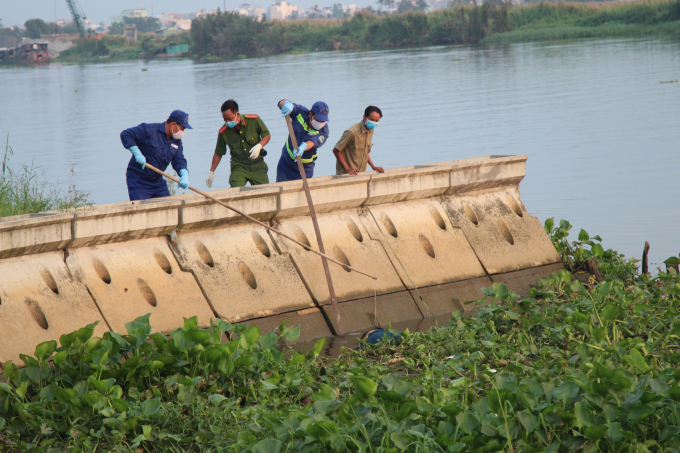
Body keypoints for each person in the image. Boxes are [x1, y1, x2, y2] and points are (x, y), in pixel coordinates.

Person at [120, 110, 192, 201]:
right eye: (182, 129)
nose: (182, 132)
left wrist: (184, 173)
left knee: (168, 208)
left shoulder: (176, 142)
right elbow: (126, 134)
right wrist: (136, 153)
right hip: (139, 181)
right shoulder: (149, 130)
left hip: (158, 182)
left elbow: (179, 159)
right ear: (174, 124)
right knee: (141, 212)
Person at [206, 99, 271, 188]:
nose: (228, 121)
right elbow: (218, 152)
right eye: (225, 119)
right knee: (235, 192)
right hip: (239, 166)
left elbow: (266, 135)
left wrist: (259, 146)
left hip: (258, 166)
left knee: (266, 192)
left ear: (237, 114)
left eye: (230, 118)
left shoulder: (254, 120)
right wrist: (211, 172)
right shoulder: (224, 131)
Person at [276, 99, 330, 182]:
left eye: (323, 120)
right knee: (281, 191)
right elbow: (281, 103)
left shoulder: (324, 131)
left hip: (303, 169)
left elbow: (313, 142)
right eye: (318, 119)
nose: (321, 122)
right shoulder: (301, 112)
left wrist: (304, 147)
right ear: (310, 114)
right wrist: (286, 104)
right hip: (285, 163)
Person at [333, 105, 385, 176]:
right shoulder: (352, 132)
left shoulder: (370, 130)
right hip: (346, 175)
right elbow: (336, 150)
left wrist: (373, 166)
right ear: (364, 117)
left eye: (377, 121)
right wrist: (348, 169)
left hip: (360, 173)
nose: (374, 123)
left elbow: (365, 152)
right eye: (371, 119)